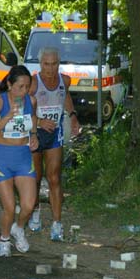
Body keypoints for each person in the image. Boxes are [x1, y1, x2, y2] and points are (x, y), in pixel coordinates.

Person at [0, 65, 38, 257]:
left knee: (28, 205)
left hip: (23, 156)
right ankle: (4, 239)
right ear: (9, 84)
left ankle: (19, 228)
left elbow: (33, 120)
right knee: (9, 206)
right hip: (1, 157)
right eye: (20, 87)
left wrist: (34, 135)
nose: (24, 91)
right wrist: (7, 116)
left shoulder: (31, 100)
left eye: (27, 87)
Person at [28, 47, 80, 240]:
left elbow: (65, 96)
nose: (50, 68)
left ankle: (57, 223)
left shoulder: (65, 80)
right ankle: (35, 212)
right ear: (40, 64)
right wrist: (39, 121)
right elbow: (23, 108)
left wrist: (73, 116)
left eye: (54, 64)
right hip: (34, 133)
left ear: (59, 63)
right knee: (35, 178)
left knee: (55, 178)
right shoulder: (33, 82)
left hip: (55, 134)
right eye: (46, 64)